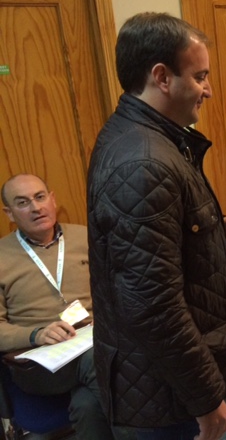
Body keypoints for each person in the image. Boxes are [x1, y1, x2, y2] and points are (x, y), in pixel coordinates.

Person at [86, 12, 226, 440]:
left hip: (163, 384)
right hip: (167, 400)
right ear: (162, 77)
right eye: (200, 77)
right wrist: (206, 399)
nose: (209, 90)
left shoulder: (140, 134)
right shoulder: (143, 161)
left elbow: (152, 246)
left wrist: (216, 227)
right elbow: (152, 304)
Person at [0, 173, 121, 439]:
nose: (36, 207)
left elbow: (118, 286)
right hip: (40, 360)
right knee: (103, 359)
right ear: (9, 213)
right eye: (23, 202)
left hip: (92, 337)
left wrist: (107, 315)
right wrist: (36, 334)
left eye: (40, 197)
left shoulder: (85, 237)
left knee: (87, 405)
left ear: (52, 200)